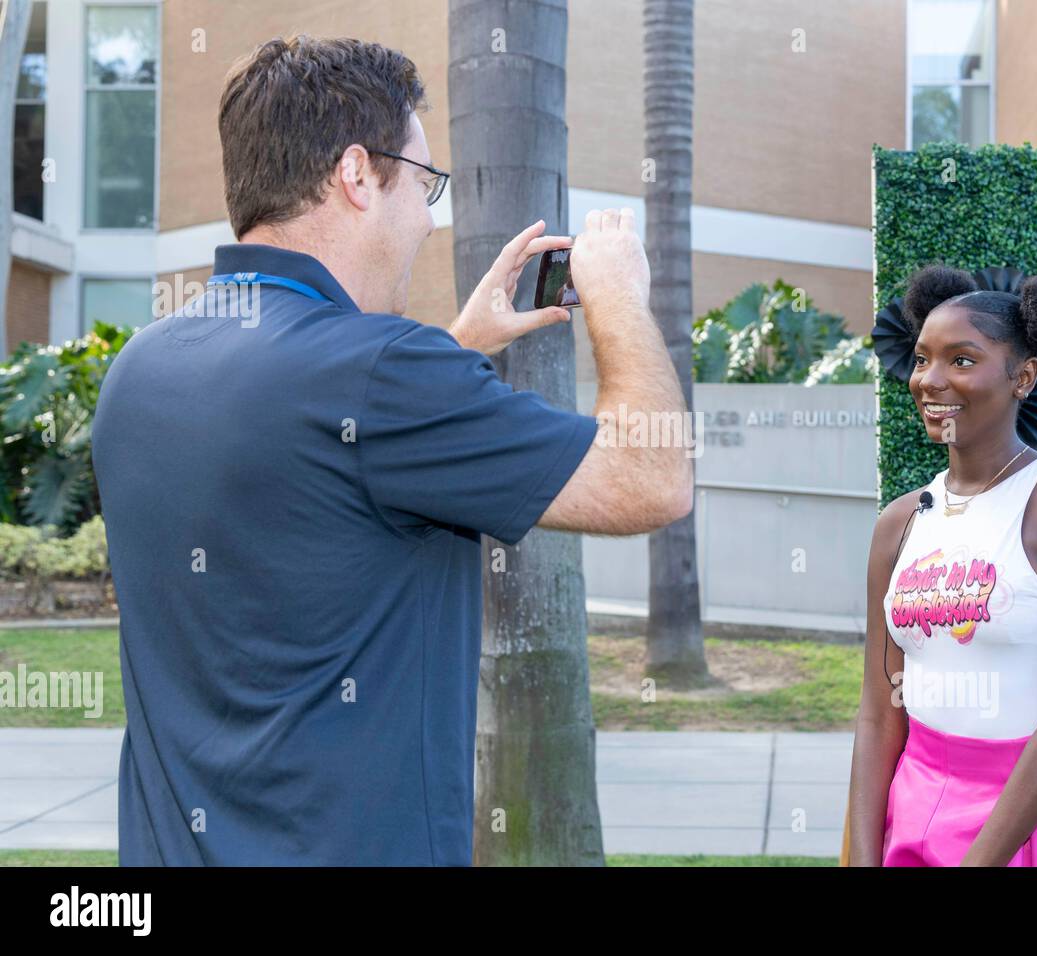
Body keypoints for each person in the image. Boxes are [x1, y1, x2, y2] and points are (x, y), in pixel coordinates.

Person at [91, 36, 693, 865]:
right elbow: (653, 479)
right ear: (356, 175)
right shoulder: (384, 376)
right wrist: (619, 296)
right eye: (424, 182)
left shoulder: (140, 369)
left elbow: (309, 467)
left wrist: (456, 351)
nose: (429, 215)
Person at [843, 263, 1037, 866]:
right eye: (921, 360)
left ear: (1023, 376)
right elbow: (879, 710)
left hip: (1036, 818)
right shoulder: (901, 521)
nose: (930, 380)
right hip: (917, 808)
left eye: (962, 361)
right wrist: (862, 858)